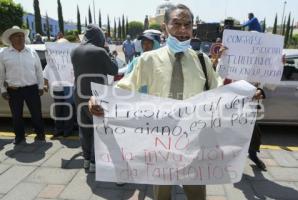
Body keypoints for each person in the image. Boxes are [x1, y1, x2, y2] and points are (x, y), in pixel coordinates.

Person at [89, 4, 264, 200]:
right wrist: (100, 100)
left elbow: (220, 91)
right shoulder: (148, 60)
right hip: (159, 142)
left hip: (195, 142)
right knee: (161, 194)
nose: (182, 30)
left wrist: (248, 93)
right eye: (177, 24)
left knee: (196, 193)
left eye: (187, 25)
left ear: (192, 29)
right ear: (165, 27)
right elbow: (125, 88)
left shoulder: (202, 60)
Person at [71, 24, 118, 173]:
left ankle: (86, 159)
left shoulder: (75, 50)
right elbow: (114, 70)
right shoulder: (100, 51)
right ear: (99, 37)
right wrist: (110, 54)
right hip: (96, 96)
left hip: (79, 94)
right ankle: (94, 162)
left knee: (84, 128)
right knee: (98, 128)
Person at [0, 26, 45, 145]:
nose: (21, 38)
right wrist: (3, 90)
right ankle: (19, 136)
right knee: (16, 115)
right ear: (11, 39)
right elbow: (1, 73)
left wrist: (40, 86)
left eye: (22, 36)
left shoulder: (32, 52)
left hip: (31, 88)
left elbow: (39, 71)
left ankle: (40, 134)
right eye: (17, 36)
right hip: (13, 90)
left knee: (36, 114)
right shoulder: (4, 54)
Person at [43, 38, 75, 138]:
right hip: (57, 87)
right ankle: (58, 129)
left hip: (69, 87)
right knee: (58, 109)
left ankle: (67, 130)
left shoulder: (72, 59)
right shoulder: (52, 59)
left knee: (68, 109)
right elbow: (46, 72)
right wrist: (45, 83)